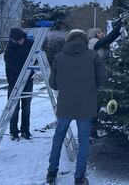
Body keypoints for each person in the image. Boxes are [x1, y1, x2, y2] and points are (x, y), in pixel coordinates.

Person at [46, 29, 107, 185]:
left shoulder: (59, 57)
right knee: (84, 141)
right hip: (86, 104)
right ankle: (79, 178)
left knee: (58, 137)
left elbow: (53, 83)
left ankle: (51, 173)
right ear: (84, 40)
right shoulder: (92, 56)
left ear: (69, 39)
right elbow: (102, 79)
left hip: (65, 104)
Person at [4, 28, 34, 140]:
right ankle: (13, 132)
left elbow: (35, 58)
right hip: (14, 81)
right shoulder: (9, 50)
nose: (21, 41)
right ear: (13, 40)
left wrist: (31, 71)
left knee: (26, 107)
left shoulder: (30, 44)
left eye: (22, 38)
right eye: (19, 40)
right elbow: (13, 65)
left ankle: (25, 131)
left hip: (28, 80)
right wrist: (24, 70)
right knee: (14, 108)